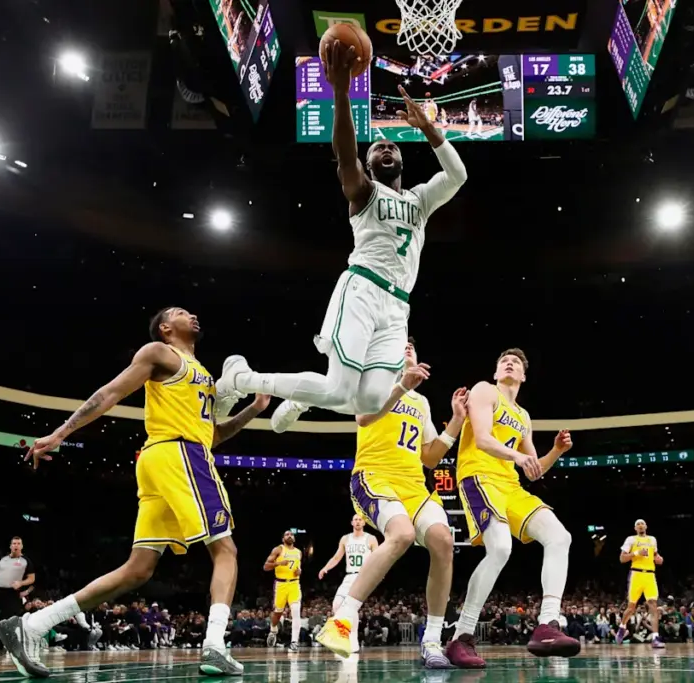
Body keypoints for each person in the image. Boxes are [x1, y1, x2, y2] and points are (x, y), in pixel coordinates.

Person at [0, 307, 270, 678]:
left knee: (137, 570)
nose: (192, 314)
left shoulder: (201, 374)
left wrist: (254, 408)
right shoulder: (160, 353)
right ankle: (215, 645)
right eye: (181, 312)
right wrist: (61, 433)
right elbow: (111, 392)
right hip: (180, 454)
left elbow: (213, 435)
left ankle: (31, 625)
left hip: (168, 458)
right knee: (226, 550)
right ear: (165, 328)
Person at [214, 40, 468, 433]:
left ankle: (302, 395)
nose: (385, 149)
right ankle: (241, 379)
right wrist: (341, 92)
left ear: (402, 160)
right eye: (377, 149)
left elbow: (458, 176)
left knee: (370, 401)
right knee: (338, 389)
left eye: (391, 146)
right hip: (363, 289)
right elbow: (346, 155)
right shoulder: (364, 192)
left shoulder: (420, 199)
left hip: (398, 306)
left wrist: (429, 129)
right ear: (369, 164)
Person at [316, 338, 468, 668]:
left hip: (414, 486)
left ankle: (432, 640)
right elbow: (363, 417)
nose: (407, 347)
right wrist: (400, 386)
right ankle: (342, 620)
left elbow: (430, 458)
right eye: (400, 344)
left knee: (443, 540)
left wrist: (456, 420)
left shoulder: (422, 402)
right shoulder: (372, 380)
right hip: (373, 476)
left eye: (411, 345)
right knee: (401, 534)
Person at [445, 348, 579, 668]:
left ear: (523, 376)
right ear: (496, 372)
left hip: (510, 486)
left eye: (516, 362)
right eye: (504, 361)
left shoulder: (523, 416)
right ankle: (461, 637)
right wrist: (518, 456)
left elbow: (535, 470)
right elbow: (482, 439)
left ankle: (547, 626)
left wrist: (556, 451)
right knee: (501, 548)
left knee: (560, 537)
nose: (509, 363)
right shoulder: (484, 390)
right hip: (479, 476)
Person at [317, 513, 378, 653]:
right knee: (337, 605)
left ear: (364, 522)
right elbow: (337, 557)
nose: (358, 521)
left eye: (360, 519)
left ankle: (351, 639)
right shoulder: (345, 539)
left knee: (350, 607)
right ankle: (346, 637)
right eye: (355, 519)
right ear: (351, 523)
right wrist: (325, 568)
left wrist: (377, 574)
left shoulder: (371, 539)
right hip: (349, 575)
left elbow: (378, 558)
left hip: (363, 576)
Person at [615, 520, 665, 648]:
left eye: (642, 523)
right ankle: (622, 627)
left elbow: (656, 556)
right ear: (635, 528)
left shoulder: (652, 540)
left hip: (650, 575)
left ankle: (655, 638)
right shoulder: (631, 539)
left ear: (646, 526)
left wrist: (659, 559)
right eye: (638, 524)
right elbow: (622, 558)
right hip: (636, 575)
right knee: (631, 607)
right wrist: (637, 553)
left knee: (653, 605)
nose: (641, 525)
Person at [0, 537, 34, 654]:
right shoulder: (3, 559)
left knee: (3, 620)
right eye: (14, 543)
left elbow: (32, 578)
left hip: (12, 595)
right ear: (10, 546)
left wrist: (21, 583)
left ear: (22, 546)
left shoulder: (26, 561)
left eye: (18, 543)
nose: (16, 545)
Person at [264, 531, 304, 651]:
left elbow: (298, 568)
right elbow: (266, 566)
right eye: (287, 534)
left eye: (292, 535)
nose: (290, 536)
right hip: (280, 584)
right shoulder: (278, 549)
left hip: (294, 584)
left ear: (294, 539)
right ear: (283, 539)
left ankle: (294, 642)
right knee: (278, 612)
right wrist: (279, 563)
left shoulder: (298, 552)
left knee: (296, 611)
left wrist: (299, 571)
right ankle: (273, 629)